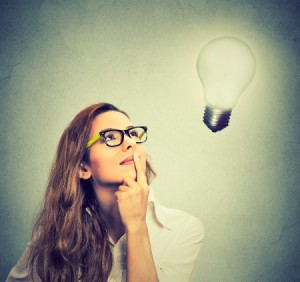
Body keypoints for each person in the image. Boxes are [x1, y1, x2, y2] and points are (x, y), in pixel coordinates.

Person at [6, 103, 204, 282]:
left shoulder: (183, 230)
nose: (130, 143)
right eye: (109, 137)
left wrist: (136, 225)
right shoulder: (55, 236)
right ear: (83, 167)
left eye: (132, 134)